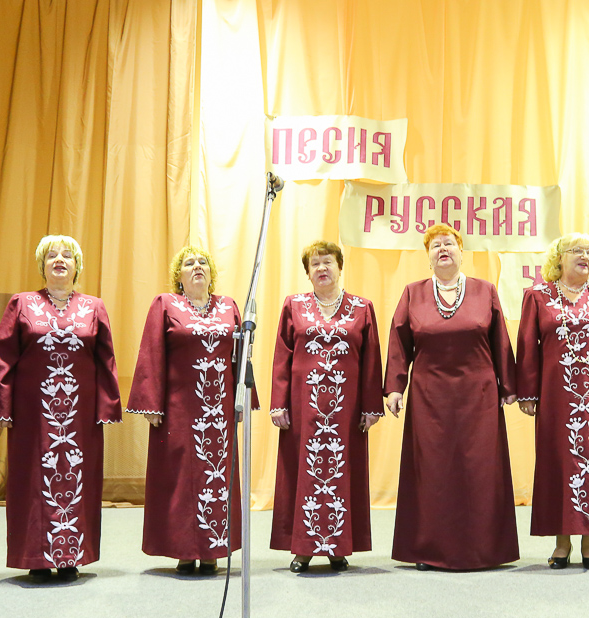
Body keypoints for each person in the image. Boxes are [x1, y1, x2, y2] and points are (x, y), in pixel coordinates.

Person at [385, 223, 519, 570]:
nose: (443, 249)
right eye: (435, 246)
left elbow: (501, 341)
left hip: (479, 397)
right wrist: (395, 387)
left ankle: (484, 550)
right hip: (429, 398)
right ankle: (429, 550)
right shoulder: (412, 293)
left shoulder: (485, 290)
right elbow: (399, 342)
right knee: (433, 473)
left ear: (462, 253)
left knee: (479, 471)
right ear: (428, 257)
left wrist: (509, 387)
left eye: (449, 244)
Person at [0, 235, 121, 580]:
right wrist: (2, 405)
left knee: (78, 480)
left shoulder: (94, 307)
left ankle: (70, 556)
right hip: (32, 414)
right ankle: (36, 556)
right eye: (52, 255)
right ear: (42, 265)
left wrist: (108, 407)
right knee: (32, 480)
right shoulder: (21, 303)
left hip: (81, 415)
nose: (59, 260)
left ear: (77, 266)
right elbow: (3, 356)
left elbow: (106, 359)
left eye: (67, 255)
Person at [127, 245, 251, 576]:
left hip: (219, 410)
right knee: (180, 479)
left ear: (211, 274)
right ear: (178, 276)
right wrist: (150, 402)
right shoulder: (166, 304)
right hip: (179, 408)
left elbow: (240, 358)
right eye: (189, 263)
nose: (197, 266)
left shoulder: (229, 306)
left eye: (202, 263)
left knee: (217, 476)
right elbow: (151, 352)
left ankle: (212, 550)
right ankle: (183, 550)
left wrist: (242, 399)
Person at [516, 232, 589, 569]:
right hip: (556, 396)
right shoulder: (537, 296)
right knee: (558, 462)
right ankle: (561, 542)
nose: (585, 256)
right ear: (559, 257)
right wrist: (527, 393)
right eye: (577, 251)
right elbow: (527, 347)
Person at [269, 241, 383, 573]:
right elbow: (282, 357)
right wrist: (278, 403)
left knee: (342, 473)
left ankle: (338, 547)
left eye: (328, 262)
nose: (322, 268)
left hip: (346, 413)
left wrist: (371, 407)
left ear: (340, 266)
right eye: (315, 264)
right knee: (304, 474)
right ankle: (303, 548)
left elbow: (372, 360)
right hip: (303, 410)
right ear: (308, 273)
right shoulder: (293, 305)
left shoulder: (362, 307)